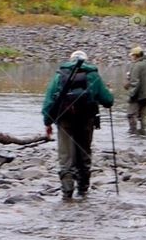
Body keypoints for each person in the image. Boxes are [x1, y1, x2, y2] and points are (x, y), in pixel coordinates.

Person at [42, 50, 114, 200]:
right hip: (86, 120)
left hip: (65, 121)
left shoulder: (59, 75)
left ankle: (67, 193)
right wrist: (109, 92)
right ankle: (83, 190)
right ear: (86, 61)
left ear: (70, 60)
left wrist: (47, 123)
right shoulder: (93, 75)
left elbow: (49, 101)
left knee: (65, 157)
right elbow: (108, 101)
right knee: (84, 154)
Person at [124, 45, 146, 135]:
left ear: (136, 55)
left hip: (137, 95)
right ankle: (143, 132)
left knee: (131, 114)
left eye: (132, 55)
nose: (131, 57)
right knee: (142, 115)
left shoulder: (136, 66)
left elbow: (135, 83)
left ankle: (133, 133)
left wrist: (131, 95)